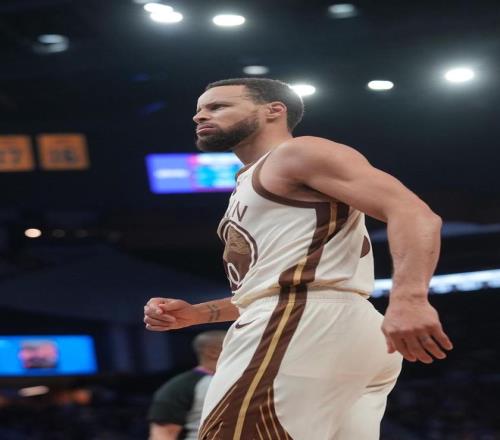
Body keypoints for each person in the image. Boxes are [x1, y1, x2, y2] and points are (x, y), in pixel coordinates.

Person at [143, 78, 453, 439]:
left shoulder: (297, 153)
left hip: (303, 323)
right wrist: (200, 314)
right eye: (199, 110)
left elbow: (414, 214)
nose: (200, 116)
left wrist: (410, 299)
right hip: (336, 326)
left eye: (218, 106)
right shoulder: (251, 180)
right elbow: (279, 282)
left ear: (274, 111)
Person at [148, 330, 226, 440]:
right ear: (213, 352)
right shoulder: (180, 387)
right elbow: (162, 435)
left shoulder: (242, 380)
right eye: (237, 345)